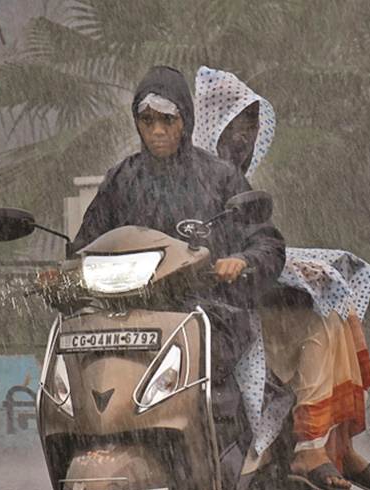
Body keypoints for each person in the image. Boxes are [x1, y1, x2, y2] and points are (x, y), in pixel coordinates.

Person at [192, 67, 370, 490]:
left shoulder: (233, 181)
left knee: (335, 304)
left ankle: (337, 444)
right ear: (210, 121)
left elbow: (260, 242)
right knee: (323, 321)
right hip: (206, 312)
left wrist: (271, 263)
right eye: (236, 122)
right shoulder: (176, 177)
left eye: (252, 123)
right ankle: (313, 446)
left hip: (242, 299)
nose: (245, 135)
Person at [70, 65, 286, 418]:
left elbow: (268, 243)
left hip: (209, 313)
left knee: (209, 384)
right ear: (136, 122)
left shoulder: (220, 177)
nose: (157, 130)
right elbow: (85, 245)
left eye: (167, 120)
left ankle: (216, 442)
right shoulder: (121, 180)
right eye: (147, 119)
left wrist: (242, 262)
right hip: (126, 319)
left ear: (185, 120)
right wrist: (66, 273)